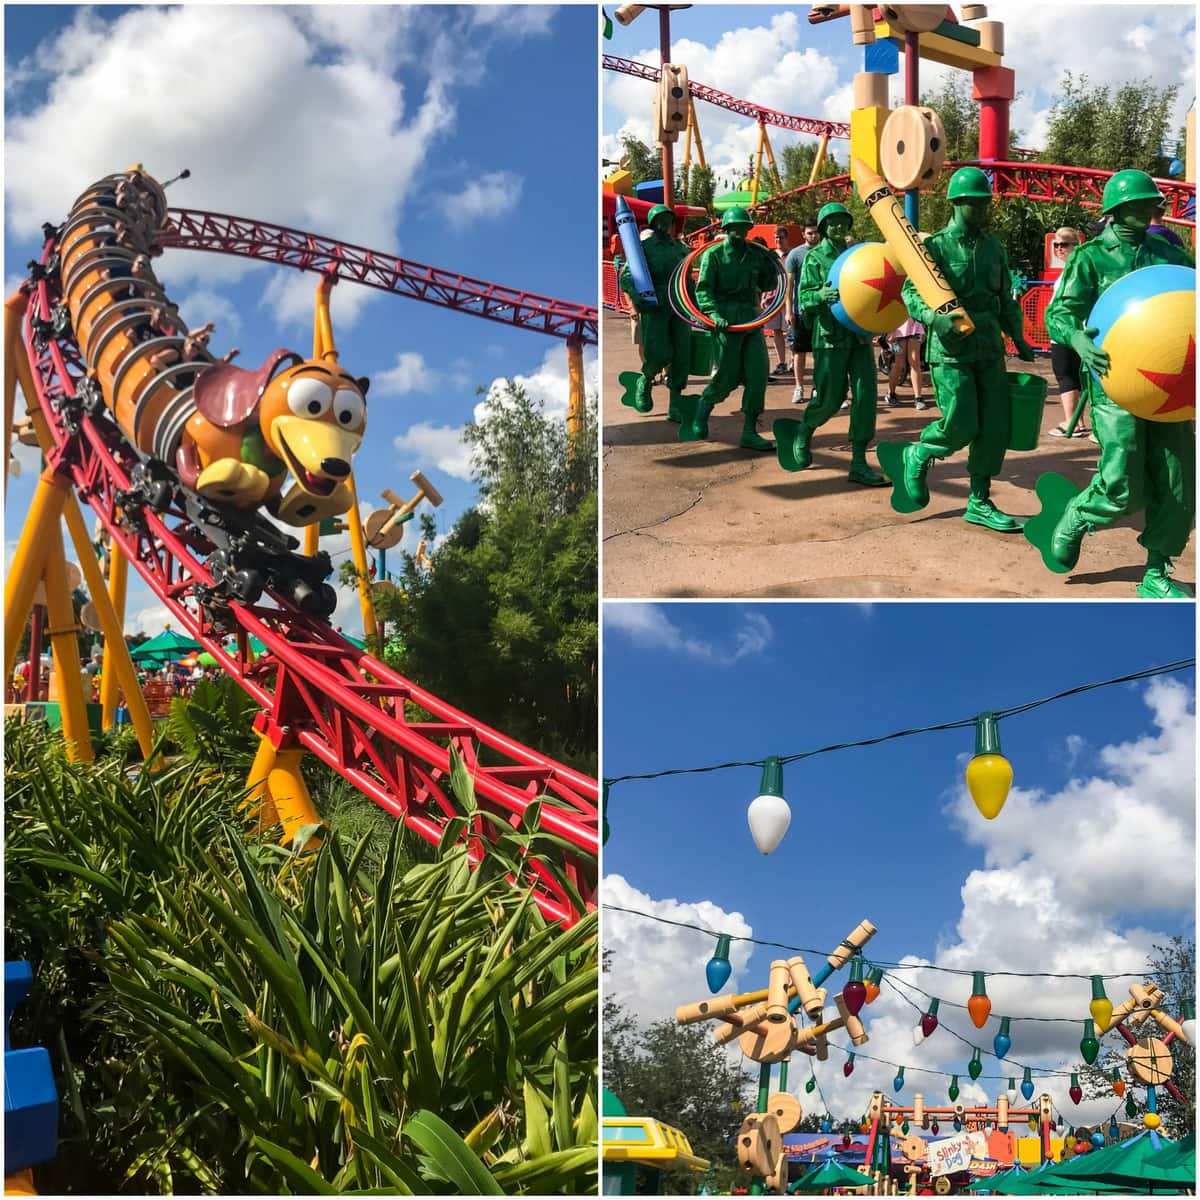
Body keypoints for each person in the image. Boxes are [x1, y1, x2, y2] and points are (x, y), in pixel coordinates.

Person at [1038, 169, 1195, 598]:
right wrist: (1075, 339)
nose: (1152, 210)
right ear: (1119, 210)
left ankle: (1157, 572)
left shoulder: (1171, 253)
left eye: (1154, 203)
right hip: (1115, 383)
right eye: (1142, 204)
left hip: (1175, 389)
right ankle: (1079, 513)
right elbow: (1060, 312)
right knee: (1122, 479)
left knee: (1179, 483)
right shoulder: (1090, 257)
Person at [879, 166, 1037, 531]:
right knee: (961, 423)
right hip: (950, 350)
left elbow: (1005, 299)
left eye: (983, 204)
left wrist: (1019, 336)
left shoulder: (994, 247)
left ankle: (979, 501)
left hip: (988, 347)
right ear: (955, 204)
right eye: (972, 204)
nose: (980, 211)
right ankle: (920, 453)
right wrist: (933, 319)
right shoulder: (932, 247)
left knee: (995, 427)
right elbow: (912, 292)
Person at [776, 202, 887, 486]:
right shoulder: (814, 258)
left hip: (860, 337)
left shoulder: (856, 254)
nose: (839, 227)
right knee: (830, 398)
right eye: (833, 222)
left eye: (842, 222)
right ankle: (804, 429)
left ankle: (859, 461)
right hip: (829, 338)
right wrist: (819, 295)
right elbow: (805, 301)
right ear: (824, 227)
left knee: (865, 398)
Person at [680, 206, 780, 451]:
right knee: (726, 377)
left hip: (751, 320)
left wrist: (770, 264)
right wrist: (713, 313)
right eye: (734, 228)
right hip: (726, 321)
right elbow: (703, 288)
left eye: (743, 227)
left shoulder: (755, 254)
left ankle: (749, 431)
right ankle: (703, 409)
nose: (739, 232)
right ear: (725, 230)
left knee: (758, 377)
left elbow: (767, 283)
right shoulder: (714, 255)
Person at [617, 205, 691, 419]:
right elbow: (627, 276)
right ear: (652, 222)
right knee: (659, 352)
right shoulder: (644, 247)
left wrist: (696, 308)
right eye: (660, 218)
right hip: (655, 304)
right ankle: (645, 378)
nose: (664, 222)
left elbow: (687, 279)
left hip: (678, 303)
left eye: (668, 218)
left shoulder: (679, 248)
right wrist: (638, 300)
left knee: (681, 355)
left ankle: (675, 402)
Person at [1045, 228, 1089, 439]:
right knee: (1072, 375)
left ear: (1075, 245)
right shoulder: (1073, 269)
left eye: (1064, 244)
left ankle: (1071, 420)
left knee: (1065, 374)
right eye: (1056, 244)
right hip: (1068, 329)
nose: (1059, 249)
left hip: (1067, 330)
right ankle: (1076, 420)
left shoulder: (1074, 269)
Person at [784, 221, 820, 404]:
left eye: (815, 232)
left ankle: (818, 387)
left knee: (820, 351)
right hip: (800, 311)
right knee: (799, 351)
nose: (813, 236)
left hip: (820, 311)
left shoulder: (823, 252)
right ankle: (799, 387)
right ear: (804, 234)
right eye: (809, 233)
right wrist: (788, 311)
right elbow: (789, 286)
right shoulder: (795, 254)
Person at [762, 227, 792, 376]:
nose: (778, 240)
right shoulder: (771, 255)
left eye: (781, 237)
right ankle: (782, 362)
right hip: (772, 299)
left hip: (788, 298)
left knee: (791, 330)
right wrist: (764, 296)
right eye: (776, 238)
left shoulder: (792, 255)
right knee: (776, 331)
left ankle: (794, 359)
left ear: (787, 238)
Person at [883, 316, 927, 409]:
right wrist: (889, 330)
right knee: (899, 363)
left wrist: (922, 326)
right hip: (897, 330)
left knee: (915, 361)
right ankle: (891, 393)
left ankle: (918, 397)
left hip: (915, 327)